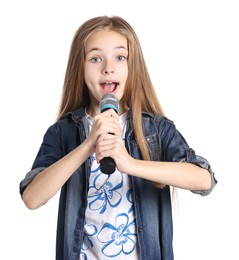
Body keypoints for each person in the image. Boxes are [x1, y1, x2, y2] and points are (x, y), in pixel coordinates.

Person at [19, 15, 217, 260]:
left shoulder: (155, 129)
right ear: (79, 68)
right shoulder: (63, 132)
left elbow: (204, 180)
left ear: (132, 67)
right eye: (95, 58)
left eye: (120, 57)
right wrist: (87, 145)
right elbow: (31, 198)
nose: (108, 67)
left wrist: (131, 164)